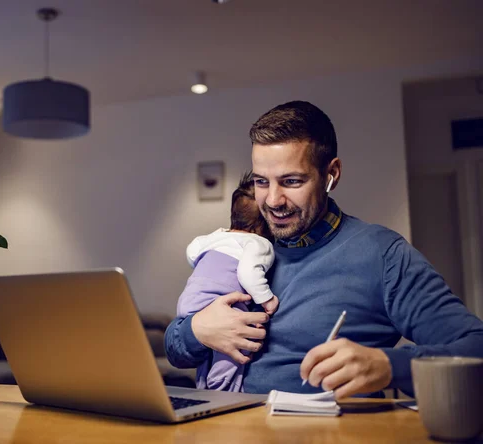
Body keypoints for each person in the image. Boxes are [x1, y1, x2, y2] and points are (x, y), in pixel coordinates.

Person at [165, 101, 483, 398]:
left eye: (291, 181)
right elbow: (174, 347)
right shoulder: (244, 243)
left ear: (331, 175)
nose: (273, 201)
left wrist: (388, 365)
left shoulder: (382, 254)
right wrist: (196, 330)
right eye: (262, 182)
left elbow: (475, 348)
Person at [178, 172, 277, 392]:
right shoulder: (260, 243)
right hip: (225, 303)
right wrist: (267, 299)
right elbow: (248, 272)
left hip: (191, 303)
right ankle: (224, 391)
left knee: (211, 349)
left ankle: (203, 388)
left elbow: (192, 250)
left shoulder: (215, 236)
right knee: (234, 348)